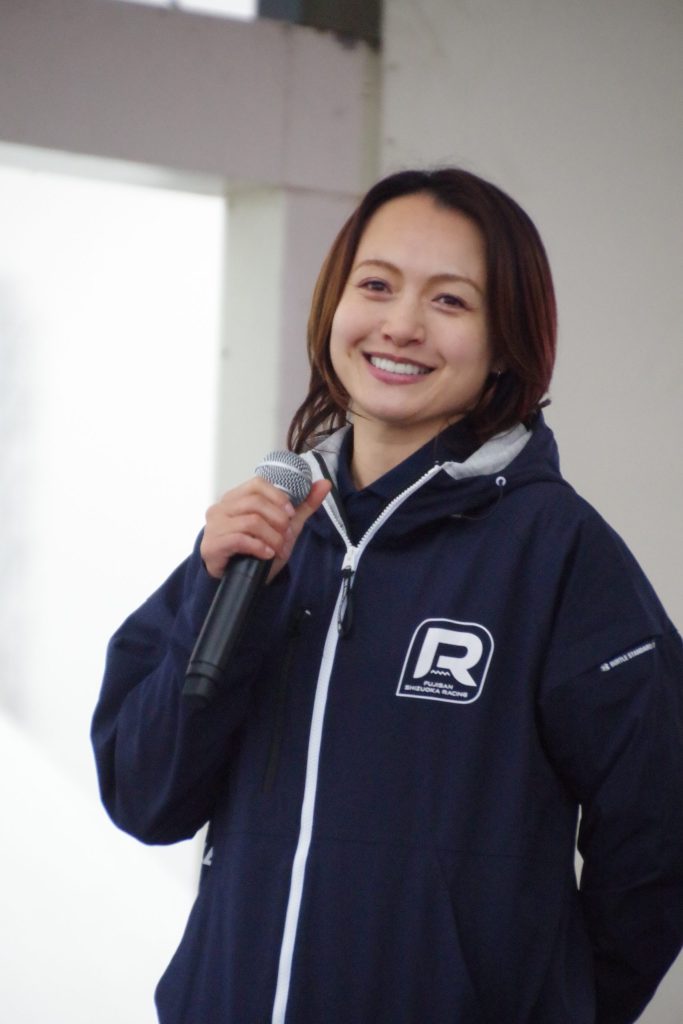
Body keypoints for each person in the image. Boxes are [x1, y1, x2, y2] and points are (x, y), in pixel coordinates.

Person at [91, 168, 683, 1024]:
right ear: (333, 305)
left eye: (449, 300)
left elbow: (658, 838)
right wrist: (214, 605)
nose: (401, 325)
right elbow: (144, 796)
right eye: (375, 286)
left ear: (504, 343)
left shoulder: (556, 553)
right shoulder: (262, 539)